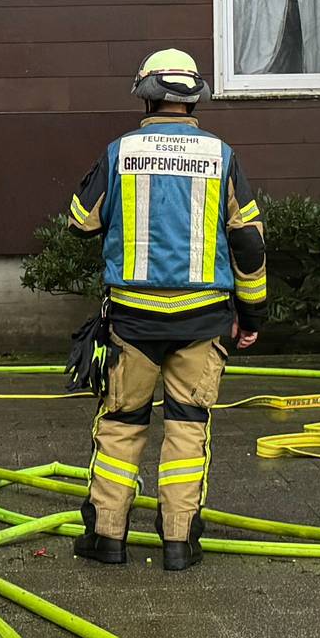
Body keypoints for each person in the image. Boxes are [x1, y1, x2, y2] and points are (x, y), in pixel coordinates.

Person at [64, 49, 268, 572]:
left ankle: (107, 537)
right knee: (187, 425)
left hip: (132, 321)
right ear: (194, 98)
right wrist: (252, 315)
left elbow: (80, 220)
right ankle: (179, 542)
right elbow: (248, 243)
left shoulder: (120, 152)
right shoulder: (221, 155)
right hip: (203, 320)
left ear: (146, 95)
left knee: (121, 422)